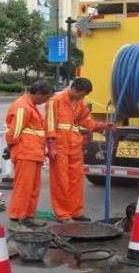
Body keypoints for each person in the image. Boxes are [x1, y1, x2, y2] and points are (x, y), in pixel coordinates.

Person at [46, 78, 114, 223]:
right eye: (81, 95)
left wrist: (103, 126)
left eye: (84, 96)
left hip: (74, 146)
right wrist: (51, 147)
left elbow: (85, 121)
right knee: (60, 181)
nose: (82, 98)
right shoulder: (55, 101)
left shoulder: (79, 103)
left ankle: (75, 212)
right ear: (74, 89)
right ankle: (63, 214)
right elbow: (49, 124)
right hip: (60, 146)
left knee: (76, 180)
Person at [5, 80, 55, 232]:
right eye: (45, 98)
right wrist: (10, 148)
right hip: (25, 153)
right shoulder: (22, 106)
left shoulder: (29, 106)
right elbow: (14, 133)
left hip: (33, 153)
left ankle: (28, 216)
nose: (45, 102)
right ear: (39, 94)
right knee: (23, 188)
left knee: (33, 188)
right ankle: (15, 220)